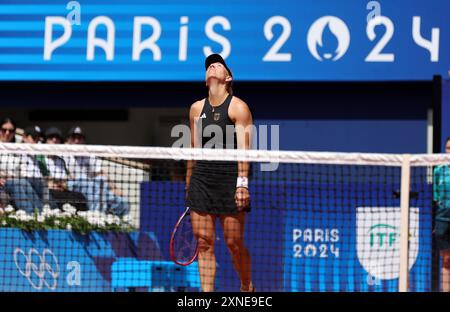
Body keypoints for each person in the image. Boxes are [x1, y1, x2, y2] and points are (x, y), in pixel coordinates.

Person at [185, 54, 254, 292]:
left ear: (228, 77)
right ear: (206, 80)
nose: (212, 66)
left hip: (229, 181)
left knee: (234, 243)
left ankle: (246, 287)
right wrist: (188, 185)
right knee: (204, 244)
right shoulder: (196, 109)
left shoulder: (239, 107)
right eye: (208, 66)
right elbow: (193, 150)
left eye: (218, 65)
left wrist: (242, 184)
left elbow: (245, 150)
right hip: (201, 180)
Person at [64, 126, 129, 216]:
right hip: (73, 186)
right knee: (89, 183)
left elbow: (100, 173)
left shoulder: (89, 154)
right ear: (68, 139)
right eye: (74, 137)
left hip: (92, 188)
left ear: (84, 140)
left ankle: (119, 226)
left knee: (121, 201)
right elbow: (63, 176)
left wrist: (114, 188)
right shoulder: (63, 153)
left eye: (79, 138)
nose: (77, 141)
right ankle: (96, 218)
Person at [433, 137, 450, 292]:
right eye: (448, 148)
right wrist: (436, 223)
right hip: (443, 219)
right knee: (446, 260)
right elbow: (436, 198)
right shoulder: (438, 170)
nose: (449, 151)